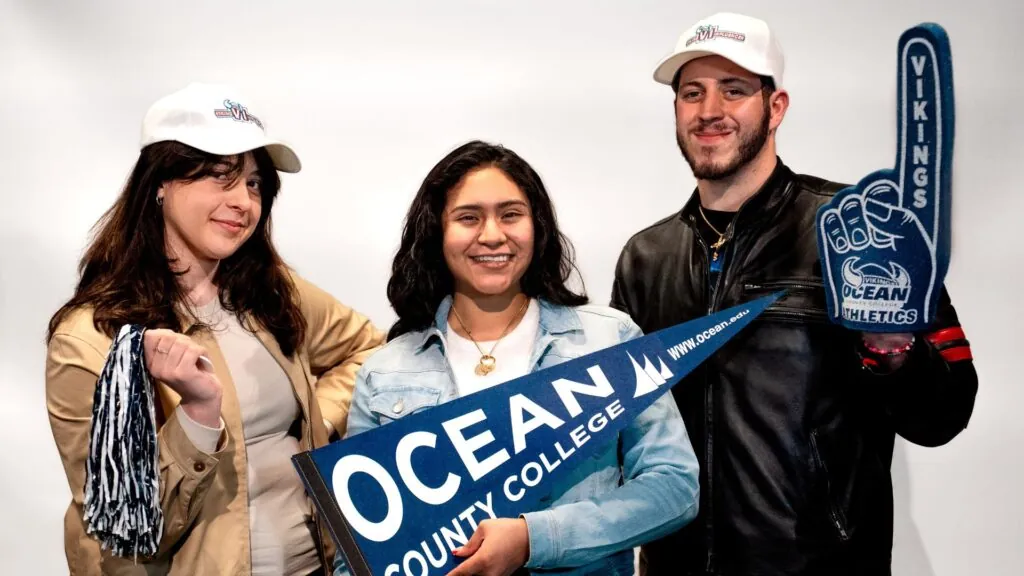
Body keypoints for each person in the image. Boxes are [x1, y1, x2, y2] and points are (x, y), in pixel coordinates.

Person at [609, 12, 980, 576]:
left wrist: (892, 348)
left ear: (775, 106)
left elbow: (945, 415)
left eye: (733, 90)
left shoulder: (862, 235)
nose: (709, 111)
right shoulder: (645, 256)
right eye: (692, 93)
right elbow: (622, 426)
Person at [45, 82, 386, 575]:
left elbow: (367, 349)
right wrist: (198, 416)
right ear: (160, 183)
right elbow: (128, 530)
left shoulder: (269, 291)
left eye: (253, 184)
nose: (244, 202)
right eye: (220, 177)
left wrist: (319, 418)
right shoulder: (91, 339)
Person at [332, 140, 700, 576]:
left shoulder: (610, 340)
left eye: (511, 214)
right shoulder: (385, 370)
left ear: (537, 226)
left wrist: (534, 538)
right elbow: (357, 552)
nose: (492, 234)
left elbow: (674, 486)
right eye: (468, 217)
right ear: (437, 232)